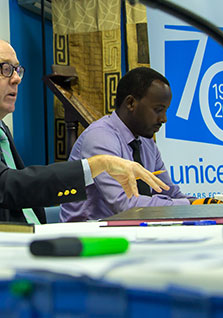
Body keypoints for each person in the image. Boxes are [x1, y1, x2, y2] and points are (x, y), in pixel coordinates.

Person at [0, 37, 168, 223]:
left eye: (17, 70)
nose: (16, 78)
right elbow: (8, 187)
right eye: (4, 69)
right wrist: (96, 165)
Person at [60, 67, 191, 221]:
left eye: (166, 111)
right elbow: (125, 205)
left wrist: (203, 204)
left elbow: (170, 192)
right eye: (158, 110)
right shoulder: (100, 137)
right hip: (87, 231)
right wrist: (187, 205)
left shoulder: (146, 141)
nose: (164, 119)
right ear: (131, 103)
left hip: (129, 229)